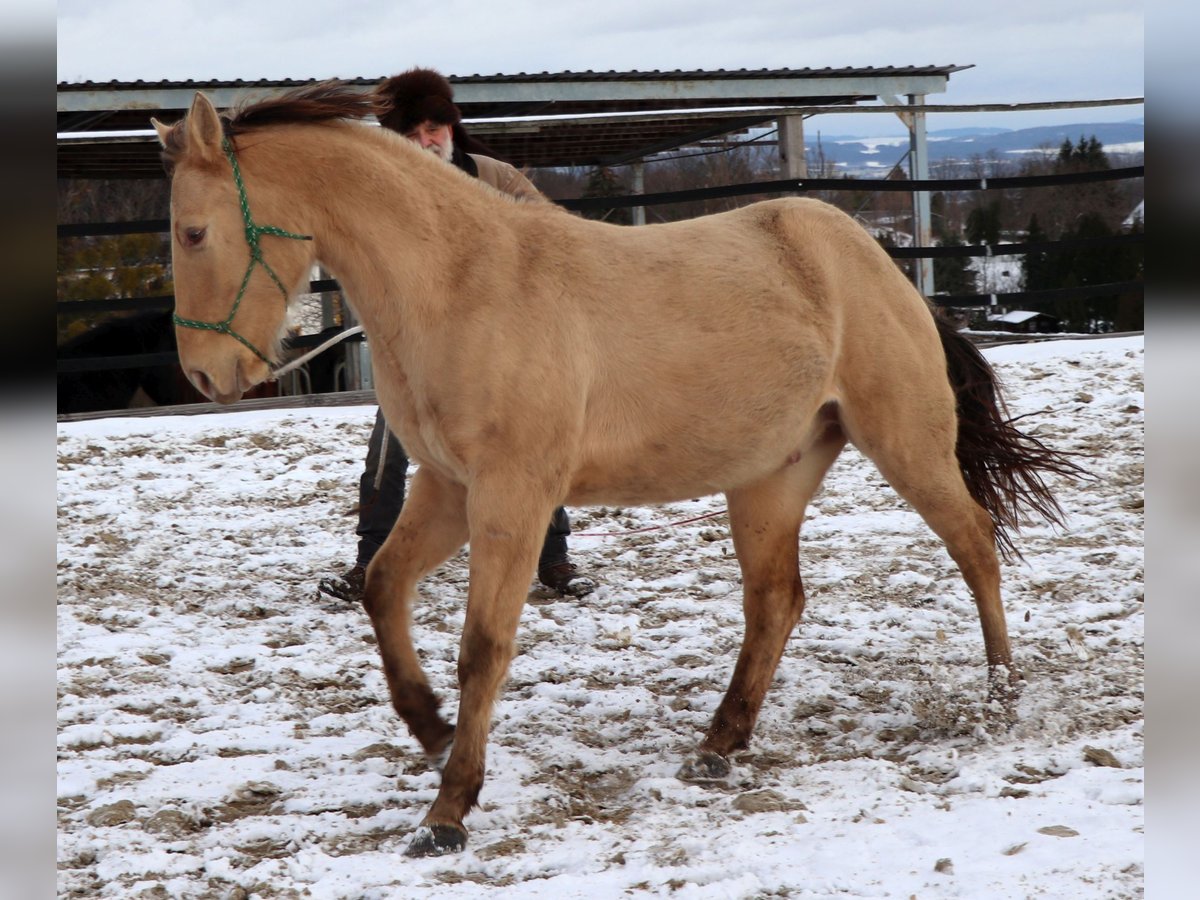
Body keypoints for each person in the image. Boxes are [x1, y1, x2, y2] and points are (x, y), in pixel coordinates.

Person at [318, 67, 596, 604]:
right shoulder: (379, 201)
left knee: (529, 448)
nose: (425, 145)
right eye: (411, 135)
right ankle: (369, 562)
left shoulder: (494, 177)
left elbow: (559, 240)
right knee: (387, 451)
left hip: (505, 360)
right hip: (417, 361)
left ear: (450, 129)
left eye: (433, 131)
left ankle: (555, 560)